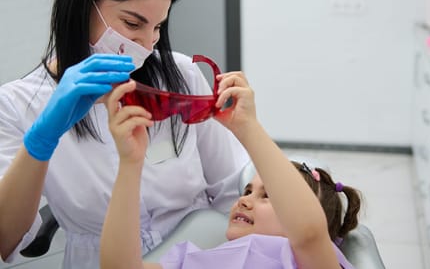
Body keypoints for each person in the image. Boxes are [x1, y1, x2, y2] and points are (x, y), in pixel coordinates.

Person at [0, 0, 248, 268]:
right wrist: (40, 140)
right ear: (82, 5)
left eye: (158, 27)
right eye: (133, 24)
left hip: (197, 252)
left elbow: (232, 191)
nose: (147, 45)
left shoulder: (182, 76)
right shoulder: (16, 105)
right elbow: (6, 239)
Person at [100, 72, 362, 269]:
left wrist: (247, 127)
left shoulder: (309, 258)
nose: (245, 200)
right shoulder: (197, 260)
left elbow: (307, 231)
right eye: (248, 190)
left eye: (267, 196)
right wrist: (130, 164)